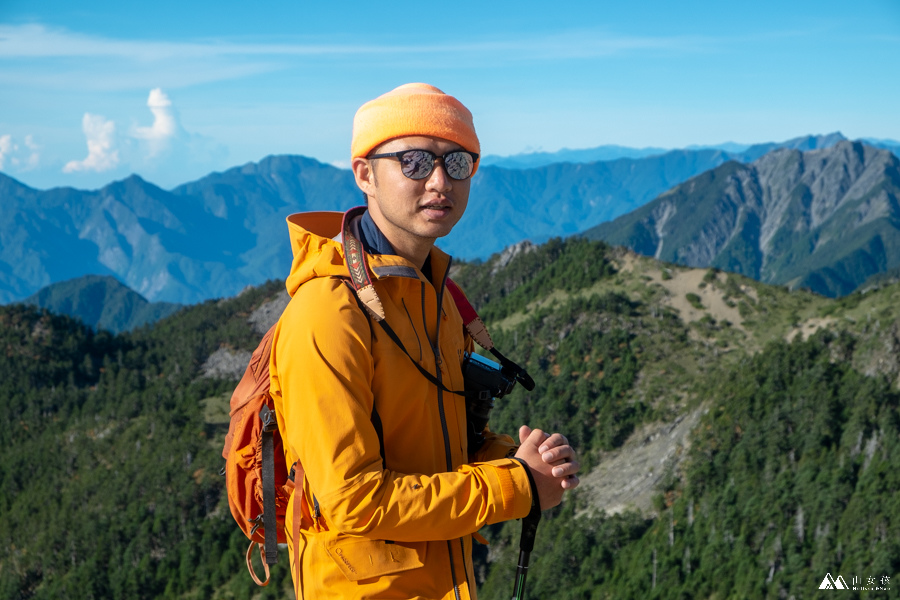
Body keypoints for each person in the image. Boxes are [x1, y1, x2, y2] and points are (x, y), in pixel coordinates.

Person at [269, 83, 580, 600]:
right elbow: (352, 502)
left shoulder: (433, 295)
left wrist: (522, 459)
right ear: (365, 174)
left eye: (458, 163)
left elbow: (436, 448)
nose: (440, 181)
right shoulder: (328, 313)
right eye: (413, 162)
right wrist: (517, 485)